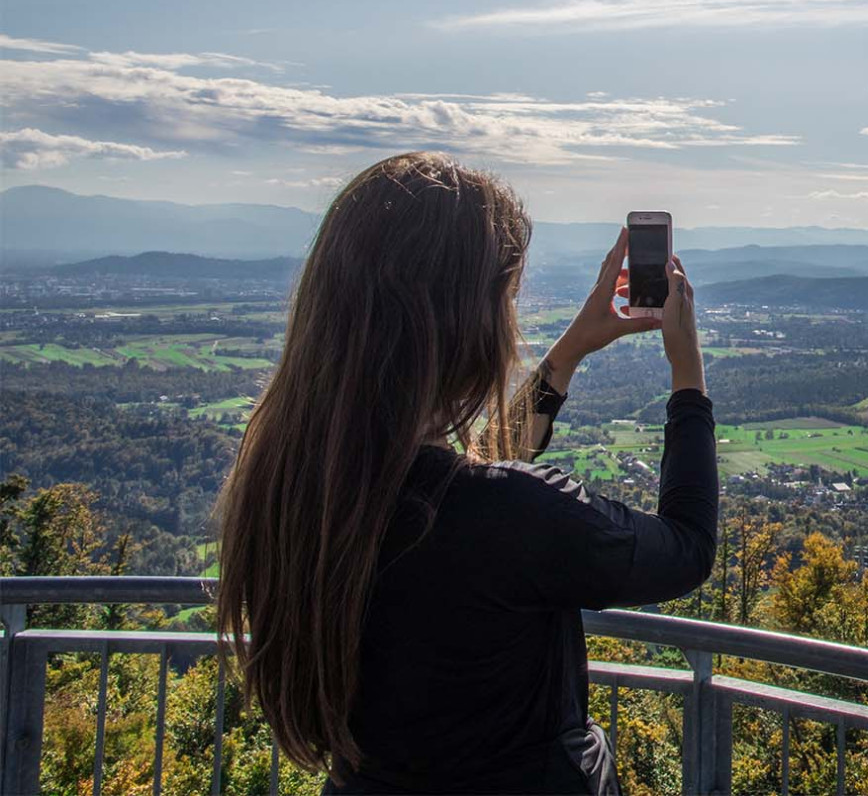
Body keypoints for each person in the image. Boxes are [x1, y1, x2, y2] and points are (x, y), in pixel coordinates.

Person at [214, 152, 717, 794]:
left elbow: (473, 475)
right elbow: (688, 547)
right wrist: (688, 377)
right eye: (505, 298)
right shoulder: (512, 516)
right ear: (463, 324)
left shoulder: (300, 489)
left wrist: (570, 350)